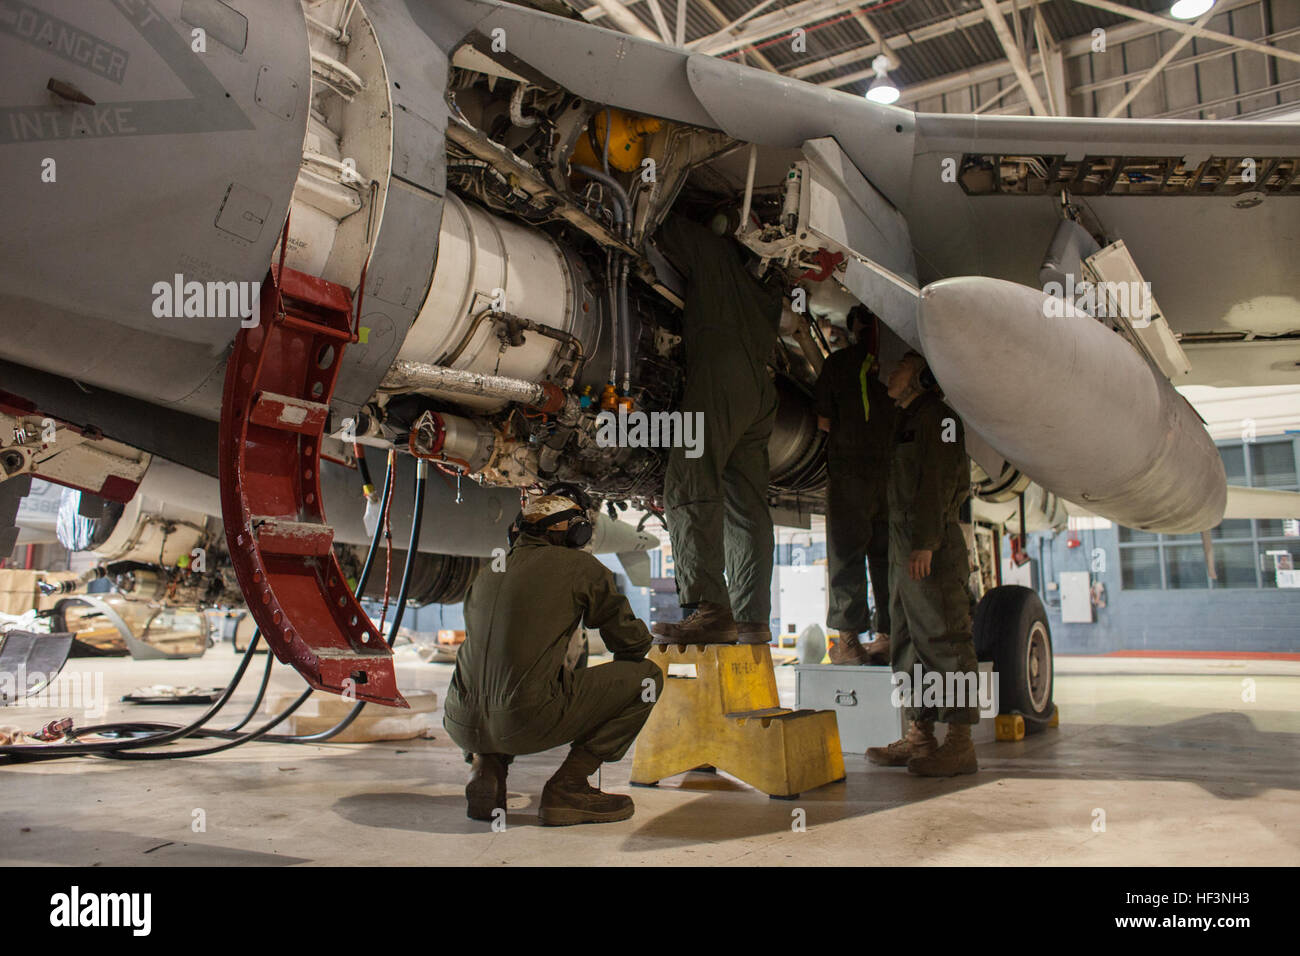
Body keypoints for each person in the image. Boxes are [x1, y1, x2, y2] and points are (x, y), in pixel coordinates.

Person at [443, 488, 664, 825]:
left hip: (460, 722)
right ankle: (569, 787)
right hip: (524, 720)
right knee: (646, 677)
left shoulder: (488, 573)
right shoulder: (579, 566)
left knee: (502, 678)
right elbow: (631, 645)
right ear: (575, 532)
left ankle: (486, 770)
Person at [649, 211, 783, 645]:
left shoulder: (709, 250)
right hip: (762, 391)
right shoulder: (767, 287)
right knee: (747, 506)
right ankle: (751, 619)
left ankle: (707, 608)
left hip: (721, 376)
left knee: (689, 481)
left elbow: (657, 223)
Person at [865, 351, 980, 777]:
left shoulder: (940, 419)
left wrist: (926, 542)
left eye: (899, 368)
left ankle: (959, 744)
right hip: (903, 549)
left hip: (930, 547)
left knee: (945, 641)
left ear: (921, 378)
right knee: (907, 643)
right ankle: (920, 737)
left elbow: (939, 480)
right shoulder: (904, 420)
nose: (890, 373)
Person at [815, 306, 895, 665]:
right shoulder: (897, 369)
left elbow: (823, 421)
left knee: (846, 554)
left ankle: (848, 642)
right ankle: (889, 636)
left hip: (850, 474)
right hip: (889, 474)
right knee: (885, 556)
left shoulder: (839, 363)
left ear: (853, 327)